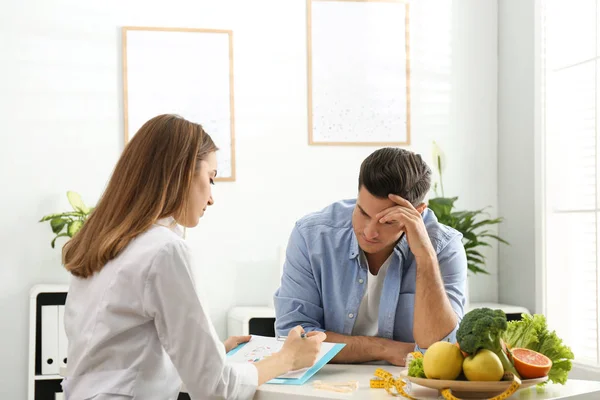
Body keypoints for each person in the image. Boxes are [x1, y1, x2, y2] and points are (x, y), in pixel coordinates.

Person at [60, 114, 326, 400]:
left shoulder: (104, 244)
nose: (211, 197)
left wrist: (209, 354)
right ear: (184, 172)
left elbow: (123, 358)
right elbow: (215, 389)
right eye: (210, 179)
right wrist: (286, 359)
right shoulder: (164, 250)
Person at [273, 147, 467, 366]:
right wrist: (383, 349)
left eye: (388, 221)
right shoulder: (312, 236)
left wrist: (425, 257)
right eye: (363, 213)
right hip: (327, 381)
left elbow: (441, 350)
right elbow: (293, 336)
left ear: (418, 213)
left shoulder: (443, 246)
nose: (369, 232)